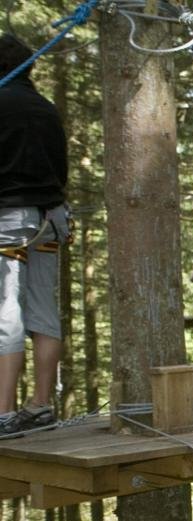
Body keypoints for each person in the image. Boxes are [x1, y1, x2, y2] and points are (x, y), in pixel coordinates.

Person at [0, 34, 70, 436]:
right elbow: (60, 172)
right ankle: (40, 405)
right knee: (43, 309)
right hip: (50, 216)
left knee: (5, 308)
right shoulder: (46, 109)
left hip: (8, 218)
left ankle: (4, 411)